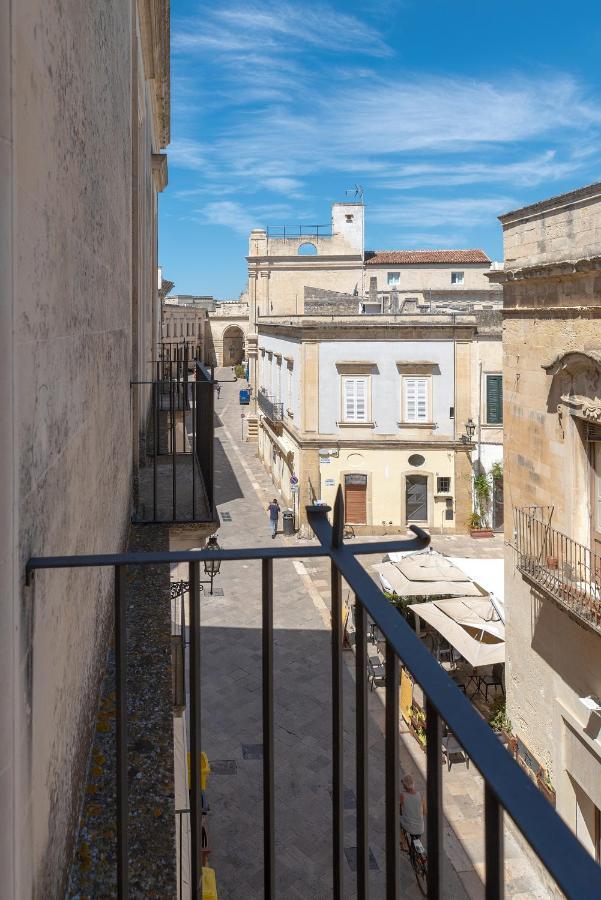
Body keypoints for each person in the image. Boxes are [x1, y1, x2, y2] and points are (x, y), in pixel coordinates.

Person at [399, 773, 425, 840]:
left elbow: (398, 806)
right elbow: (425, 812)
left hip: (409, 827)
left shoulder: (402, 795)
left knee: (398, 819)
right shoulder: (420, 795)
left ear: (404, 785)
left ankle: (403, 842)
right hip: (421, 828)